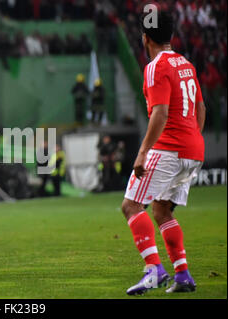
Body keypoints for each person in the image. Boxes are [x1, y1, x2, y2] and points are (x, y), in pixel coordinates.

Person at [121, 9, 206, 295]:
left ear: (145, 38)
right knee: (161, 210)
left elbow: (160, 113)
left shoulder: (155, 66)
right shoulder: (186, 64)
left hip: (168, 148)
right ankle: (182, 274)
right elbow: (201, 109)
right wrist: (192, 139)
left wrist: (143, 152)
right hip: (193, 150)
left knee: (131, 205)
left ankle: (154, 270)